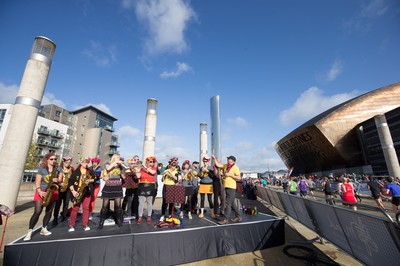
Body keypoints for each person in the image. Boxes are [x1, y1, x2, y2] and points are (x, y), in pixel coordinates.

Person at [23, 153, 63, 241]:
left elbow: (60, 179)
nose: (54, 161)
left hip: (52, 191)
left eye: (55, 159)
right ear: (47, 160)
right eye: (51, 159)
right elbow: (37, 182)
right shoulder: (42, 169)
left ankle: (44, 228)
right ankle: (30, 231)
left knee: (49, 212)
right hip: (41, 191)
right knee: (37, 211)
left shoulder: (58, 169)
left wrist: (58, 180)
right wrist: (40, 191)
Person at [68, 156, 97, 232]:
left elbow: (95, 178)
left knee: (86, 208)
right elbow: (70, 182)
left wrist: (90, 180)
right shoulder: (76, 171)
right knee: (75, 208)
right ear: (81, 163)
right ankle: (71, 224)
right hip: (77, 192)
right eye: (84, 162)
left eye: (87, 162)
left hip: (87, 192)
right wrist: (73, 191)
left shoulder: (90, 171)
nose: (86, 164)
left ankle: (85, 224)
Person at [98, 154, 126, 229]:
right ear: (114, 158)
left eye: (119, 158)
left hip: (117, 187)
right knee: (104, 206)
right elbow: (108, 169)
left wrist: (123, 167)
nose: (119, 159)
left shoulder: (120, 167)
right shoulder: (108, 165)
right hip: (108, 187)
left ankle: (118, 220)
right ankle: (101, 221)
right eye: (117, 158)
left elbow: (123, 177)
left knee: (118, 206)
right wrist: (115, 162)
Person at [213, 155, 242, 225]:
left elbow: (239, 178)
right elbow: (218, 165)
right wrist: (214, 158)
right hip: (226, 186)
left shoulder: (235, 167)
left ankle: (226, 219)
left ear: (233, 161)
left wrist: (230, 175)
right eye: (228, 159)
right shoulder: (225, 166)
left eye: (230, 159)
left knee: (228, 203)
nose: (228, 160)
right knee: (232, 203)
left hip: (231, 187)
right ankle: (238, 217)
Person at [53, 155, 74, 225]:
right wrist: (59, 184)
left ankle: (64, 216)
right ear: (63, 162)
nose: (68, 163)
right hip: (59, 188)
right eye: (66, 162)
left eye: (69, 162)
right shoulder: (58, 169)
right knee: (57, 204)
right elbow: (54, 179)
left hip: (67, 189)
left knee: (66, 203)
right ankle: (55, 218)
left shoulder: (71, 169)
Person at [136, 156, 157, 224]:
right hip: (142, 186)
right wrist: (137, 170)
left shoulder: (154, 168)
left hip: (150, 186)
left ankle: (149, 216)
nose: (152, 163)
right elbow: (138, 176)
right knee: (141, 203)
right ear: (147, 162)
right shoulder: (142, 169)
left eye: (153, 162)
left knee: (149, 202)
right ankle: (140, 216)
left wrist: (146, 167)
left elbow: (153, 173)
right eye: (150, 161)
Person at [160, 157, 179, 222]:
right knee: (165, 201)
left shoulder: (176, 171)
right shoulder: (166, 170)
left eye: (174, 166)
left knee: (171, 202)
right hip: (166, 186)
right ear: (170, 165)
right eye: (172, 165)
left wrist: (170, 173)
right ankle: (162, 215)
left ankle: (170, 214)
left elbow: (176, 179)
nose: (173, 167)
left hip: (172, 186)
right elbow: (162, 180)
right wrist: (164, 175)